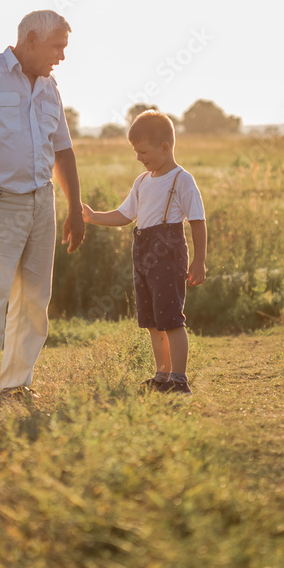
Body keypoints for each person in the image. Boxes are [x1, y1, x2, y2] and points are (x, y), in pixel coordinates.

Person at [0, 10, 85, 409]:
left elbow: (63, 151)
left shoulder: (50, 87)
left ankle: (15, 383)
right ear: (31, 40)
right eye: (57, 46)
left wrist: (74, 208)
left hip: (43, 203)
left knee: (36, 298)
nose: (61, 56)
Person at [82, 110, 206, 395]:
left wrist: (199, 260)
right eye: (136, 152)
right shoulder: (141, 181)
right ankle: (162, 375)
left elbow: (198, 221)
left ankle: (179, 378)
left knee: (172, 319)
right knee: (152, 321)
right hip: (143, 256)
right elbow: (125, 215)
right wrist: (93, 217)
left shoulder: (181, 180)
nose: (139, 157)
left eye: (143, 151)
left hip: (169, 254)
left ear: (164, 147)